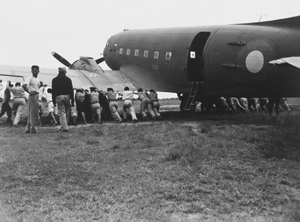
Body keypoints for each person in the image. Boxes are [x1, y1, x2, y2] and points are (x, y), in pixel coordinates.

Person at [52, 67, 74, 132]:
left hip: (59, 96)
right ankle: (65, 125)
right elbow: (71, 89)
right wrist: (72, 99)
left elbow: (53, 90)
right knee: (67, 111)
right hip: (67, 96)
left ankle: (64, 127)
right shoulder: (68, 79)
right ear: (65, 72)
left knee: (62, 112)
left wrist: (53, 100)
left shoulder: (54, 80)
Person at [22, 65, 41, 133]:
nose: (34, 72)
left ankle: (28, 128)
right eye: (33, 70)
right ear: (31, 71)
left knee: (32, 112)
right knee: (34, 112)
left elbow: (37, 87)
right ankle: (33, 128)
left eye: (36, 70)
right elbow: (24, 85)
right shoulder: (30, 78)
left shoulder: (37, 79)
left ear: (38, 71)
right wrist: (29, 92)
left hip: (36, 95)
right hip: (33, 95)